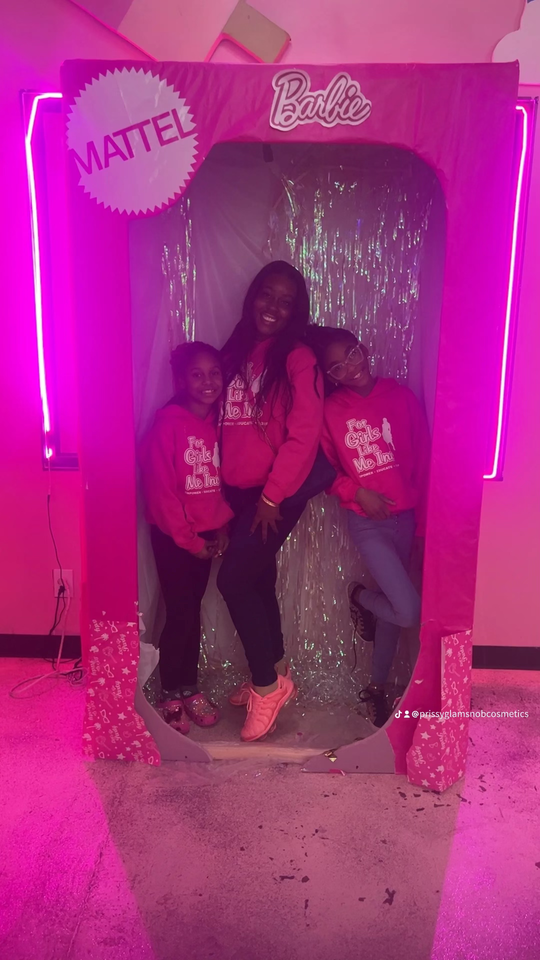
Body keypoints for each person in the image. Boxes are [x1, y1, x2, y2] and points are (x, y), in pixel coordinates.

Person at [217, 261, 333, 743]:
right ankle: (276, 668)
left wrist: (272, 496)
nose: (273, 307)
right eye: (267, 294)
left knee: (232, 580)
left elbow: (305, 434)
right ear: (253, 296)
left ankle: (266, 688)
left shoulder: (298, 357)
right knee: (257, 578)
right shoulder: (238, 347)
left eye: (286, 302)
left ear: (295, 311)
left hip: (273, 494)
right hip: (238, 491)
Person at [308, 325, 430, 728]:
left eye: (352, 354)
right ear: (331, 376)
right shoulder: (331, 410)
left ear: (363, 349)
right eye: (337, 367)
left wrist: (422, 528)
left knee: (395, 609)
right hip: (367, 523)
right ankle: (359, 596)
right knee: (408, 610)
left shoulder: (402, 397)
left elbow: (424, 463)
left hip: (405, 519)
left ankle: (376, 687)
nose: (350, 367)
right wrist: (359, 493)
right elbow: (325, 470)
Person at [140, 342, 233, 734]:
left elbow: (219, 485)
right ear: (181, 380)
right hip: (175, 537)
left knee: (192, 610)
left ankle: (189, 687)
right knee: (180, 612)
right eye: (197, 374)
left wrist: (221, 528)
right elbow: (162, 495)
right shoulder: (167, 426)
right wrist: (191, 542)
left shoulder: (218, 422)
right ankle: (169, 692)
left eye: (214, 373)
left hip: (207, 534)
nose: (208, 382)